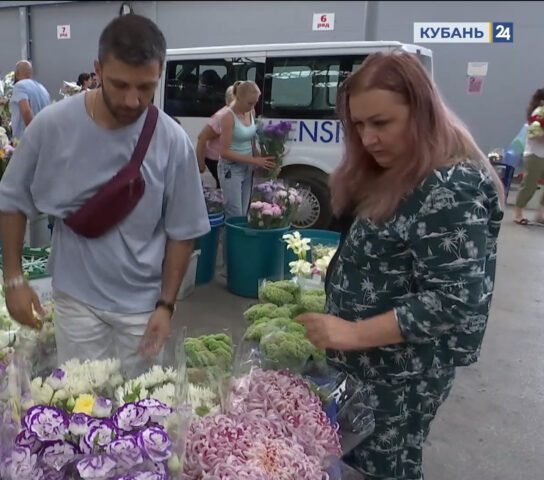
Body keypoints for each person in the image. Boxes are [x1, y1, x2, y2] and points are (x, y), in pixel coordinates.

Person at [297, 52, 504, 480]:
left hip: (399, 376)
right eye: (359, 125)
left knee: (384, 468)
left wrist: (352, 331)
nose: (368, 138)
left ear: (422, 112)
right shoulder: (398, 170)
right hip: (366, 368)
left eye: (382, 123)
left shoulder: (450, 185)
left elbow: (452, 301)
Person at [0, 14, 209, 374]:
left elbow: (182, 231)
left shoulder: (172, 141)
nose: (132, 99)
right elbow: (12, 200)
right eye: (119, 84)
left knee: (140, 413)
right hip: (75, 300)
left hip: (142, 308)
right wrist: (14, 279)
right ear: (97, 70)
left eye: (146, 87)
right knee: (80, 407)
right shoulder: (52, 125)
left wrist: (166, 306)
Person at [217, 80, 275, 218]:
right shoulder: (228, 117)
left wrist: (260, 158)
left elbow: (251, 140)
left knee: (243, 213)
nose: (252, 106)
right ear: (239, 98)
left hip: (247, 167)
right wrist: (255, 161)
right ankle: (229, 239)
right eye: (250, 103)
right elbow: (224, 152)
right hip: (231, 169)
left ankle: (237, 239)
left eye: (255, 103)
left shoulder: (251, 112)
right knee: (234, 214)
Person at [513, 87, 544, 225]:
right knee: (530, 185)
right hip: (534, 155)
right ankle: (518, 214)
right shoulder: (538, 114)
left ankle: (540, 213)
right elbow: (534, 135)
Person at [195, 85, 235, 188]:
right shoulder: (221, 117)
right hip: (216, 159)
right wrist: (200, 163)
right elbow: (202, 137)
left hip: (229, 159)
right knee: (227, 187)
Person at [10, 60, 50, 140]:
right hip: (44, 135)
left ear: (17, 73)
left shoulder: (20, 86)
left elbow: (26, 111)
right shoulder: (42, 88)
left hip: (26, 138)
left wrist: (34, 134)